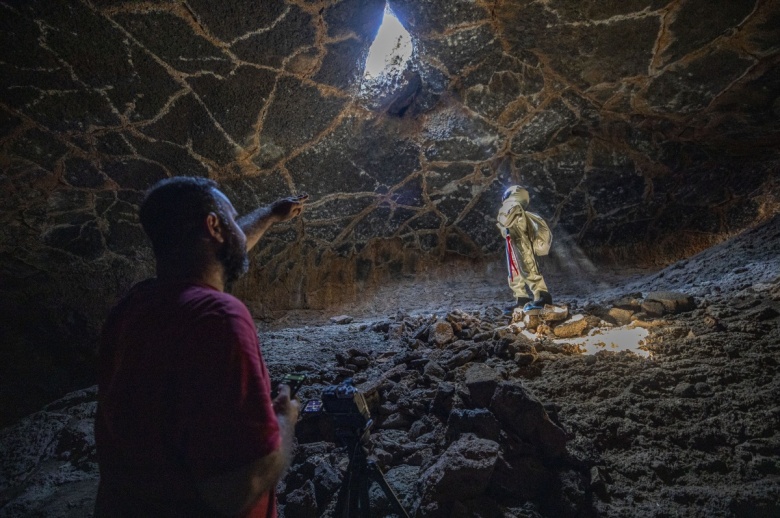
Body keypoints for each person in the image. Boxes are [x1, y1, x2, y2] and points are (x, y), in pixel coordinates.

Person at [94, 177, 308, 517]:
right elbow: (237, 489)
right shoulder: (218, 317)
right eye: (232, 219)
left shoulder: (132, 309)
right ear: (214, 226)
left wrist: (270, 215)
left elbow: (227, 248)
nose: (240, 228)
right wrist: (285, 420)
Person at [496, 185, 553, 313]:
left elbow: (505, 220)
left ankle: (542, 295)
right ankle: (522, 299)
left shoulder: (513, 206)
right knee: (514, 269)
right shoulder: (519, 209)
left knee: (527, 264)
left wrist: (503, 212)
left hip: (521, 243)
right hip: (513, 242)